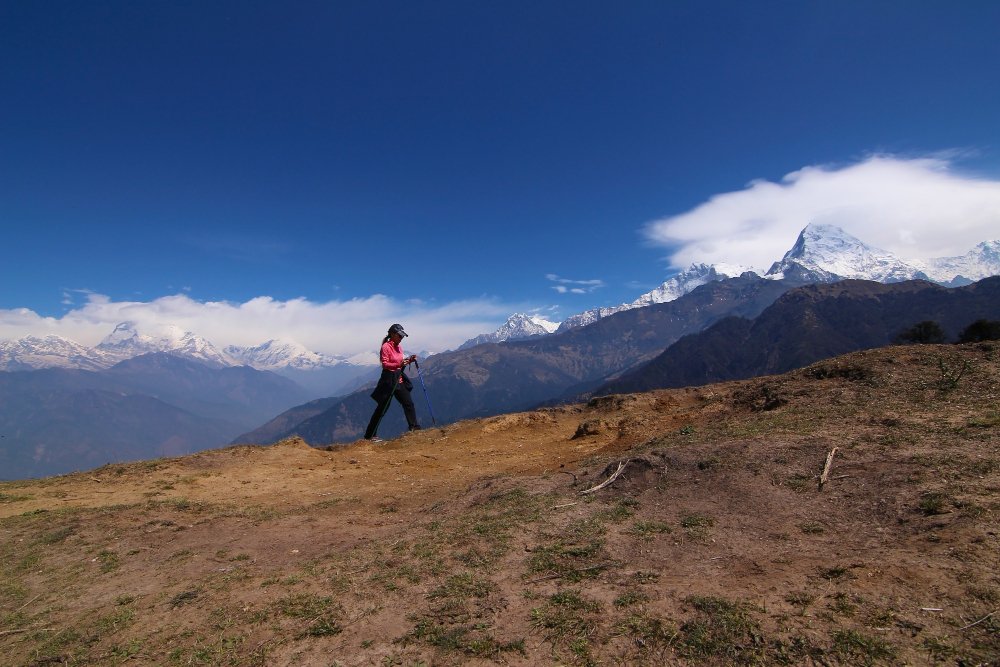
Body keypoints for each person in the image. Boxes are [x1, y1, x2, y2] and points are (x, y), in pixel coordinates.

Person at [364, 323, 421, 440]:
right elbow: (385, 364)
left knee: (408, 403)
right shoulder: (386, 347)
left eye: (402, 336)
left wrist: (409, 360)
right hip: (388, 380)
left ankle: (414, 428)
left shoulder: (399, 347)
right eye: (399, 336)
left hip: (398, 378)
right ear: (392, 334)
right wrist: (399, 364)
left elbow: (399, 361)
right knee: (382, 408)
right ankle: (369, 435)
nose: (401, 338)